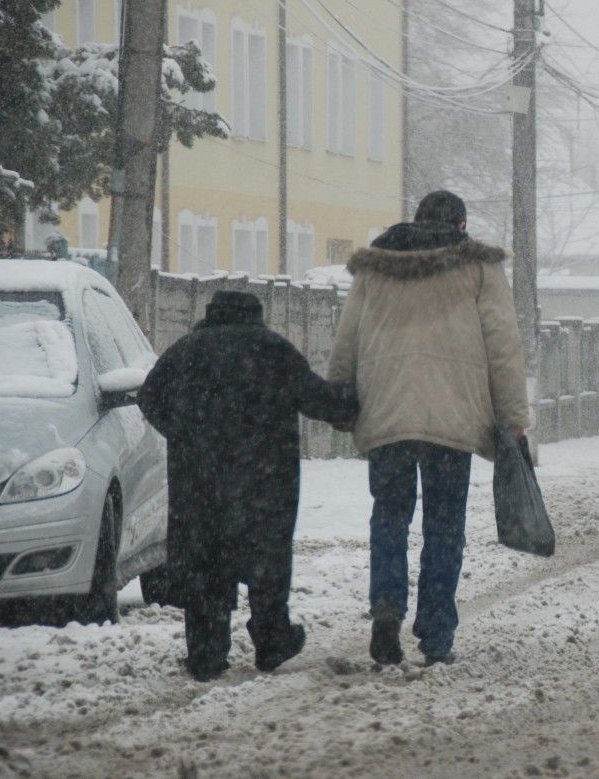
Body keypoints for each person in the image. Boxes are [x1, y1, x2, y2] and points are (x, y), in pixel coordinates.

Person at [328, 189, 529, 668]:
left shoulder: (375, 267)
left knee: (390, 515)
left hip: (387, 413)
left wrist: (339, 399)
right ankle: (436, 634)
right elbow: (502, 346)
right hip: (452, 417)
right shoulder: (478, 268)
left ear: (413, 223)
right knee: (444, 524)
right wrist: (512, 419)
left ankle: (387, 606)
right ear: (461, 227)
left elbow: (348, 338)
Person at [138, 290, 357, 681]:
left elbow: (149, 397)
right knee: (266, 560)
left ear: (210, 315)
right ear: (256, 317)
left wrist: (183, 433)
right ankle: (272, 641)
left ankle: (206, 652)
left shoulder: (186, 350)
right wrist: (355, 399)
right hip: (264, 480)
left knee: (205, 561)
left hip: (199, 481)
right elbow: (317, 399)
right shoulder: (272, 348)